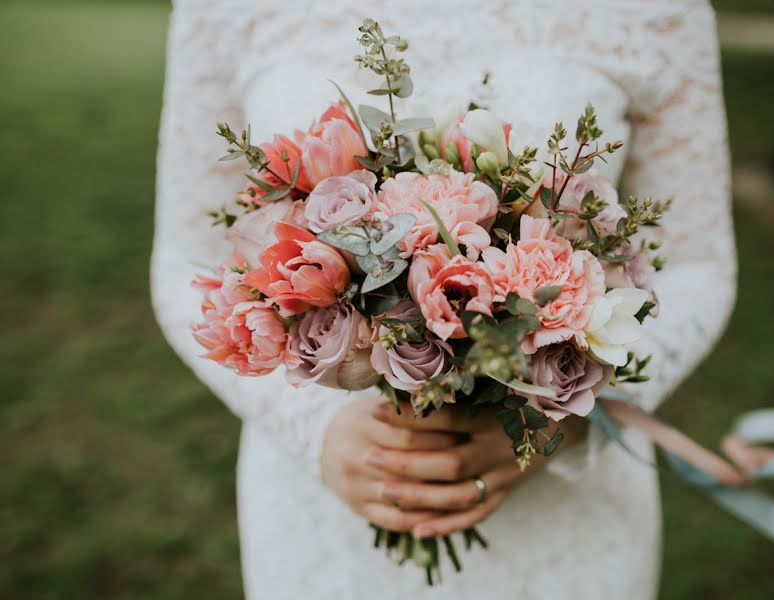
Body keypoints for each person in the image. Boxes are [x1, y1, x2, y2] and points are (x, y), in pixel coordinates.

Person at [152, 1, 736, 597]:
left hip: (566, 516)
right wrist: (316, 429)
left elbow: (696, 267)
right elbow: (186, 264)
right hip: (325, 510)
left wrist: (556, 426)